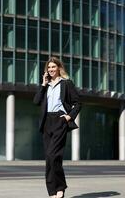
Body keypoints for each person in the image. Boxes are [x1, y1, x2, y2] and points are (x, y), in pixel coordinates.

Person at [33, 57, 81, 198]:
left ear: (59, 68)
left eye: (53, 67)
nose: (51, 69)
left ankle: (60, 187)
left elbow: (78, 103)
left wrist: (69, 116)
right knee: (49, 157)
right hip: (46, 122)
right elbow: (36, 101)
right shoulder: (45, 85)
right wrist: (43, 84)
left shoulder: (66, 84)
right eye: (49, 67)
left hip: (60, 120)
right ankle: (52, 191)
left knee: (54, 155)